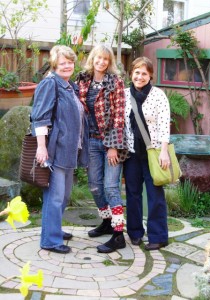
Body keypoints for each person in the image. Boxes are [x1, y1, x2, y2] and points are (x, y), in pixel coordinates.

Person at [31, 45, 88, 254]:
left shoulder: (69, 85)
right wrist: (41, 147)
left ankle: (53, 228)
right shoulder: (49, 84)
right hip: (55, 150)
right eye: (62, 62)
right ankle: (50, 240)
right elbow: (40, 117)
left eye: (70, 62)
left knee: (63, 197)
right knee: (55, 196)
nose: (67, 65)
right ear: (55, 64)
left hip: (69, 150)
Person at [76, 44, 127, 253]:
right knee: (95, 187)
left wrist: (113, 146)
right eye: (98, 58)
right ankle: (106, 222)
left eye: (106, 59)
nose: (102, 62)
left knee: (111, 187)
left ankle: (118, 235)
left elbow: (119, 116)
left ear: (110, 62)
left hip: (110, 144)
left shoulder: (116, 82)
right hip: (90, 141)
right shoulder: (83, 80)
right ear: (92, 59)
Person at [123, 56, 170, 251]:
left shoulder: (158, 95)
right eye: (137, 72)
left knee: (154, 194)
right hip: (131, 153)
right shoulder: (125, 95)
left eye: (144, 73)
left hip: (154, 153)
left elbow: (164, 125)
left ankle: (158, 236)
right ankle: (135, 233)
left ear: (150, 75)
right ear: (131, 74)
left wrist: (164, 152)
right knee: (132, 194)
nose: (140, 77)